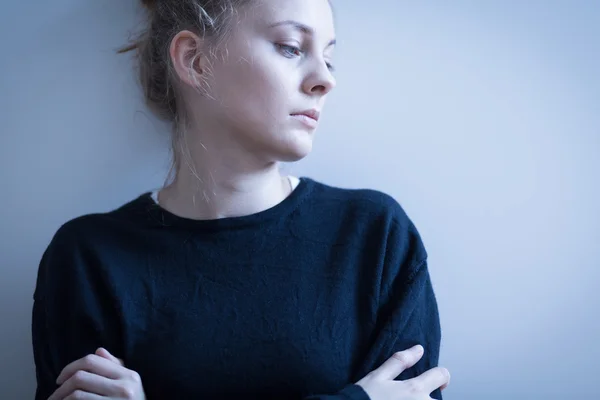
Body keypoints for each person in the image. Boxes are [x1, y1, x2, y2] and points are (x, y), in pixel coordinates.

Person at [31, 0, 450, 399]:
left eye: (329, 57)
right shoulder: (88, 258)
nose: (326, 79)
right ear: (195, 60)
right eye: (291, 48)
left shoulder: (375, 236)